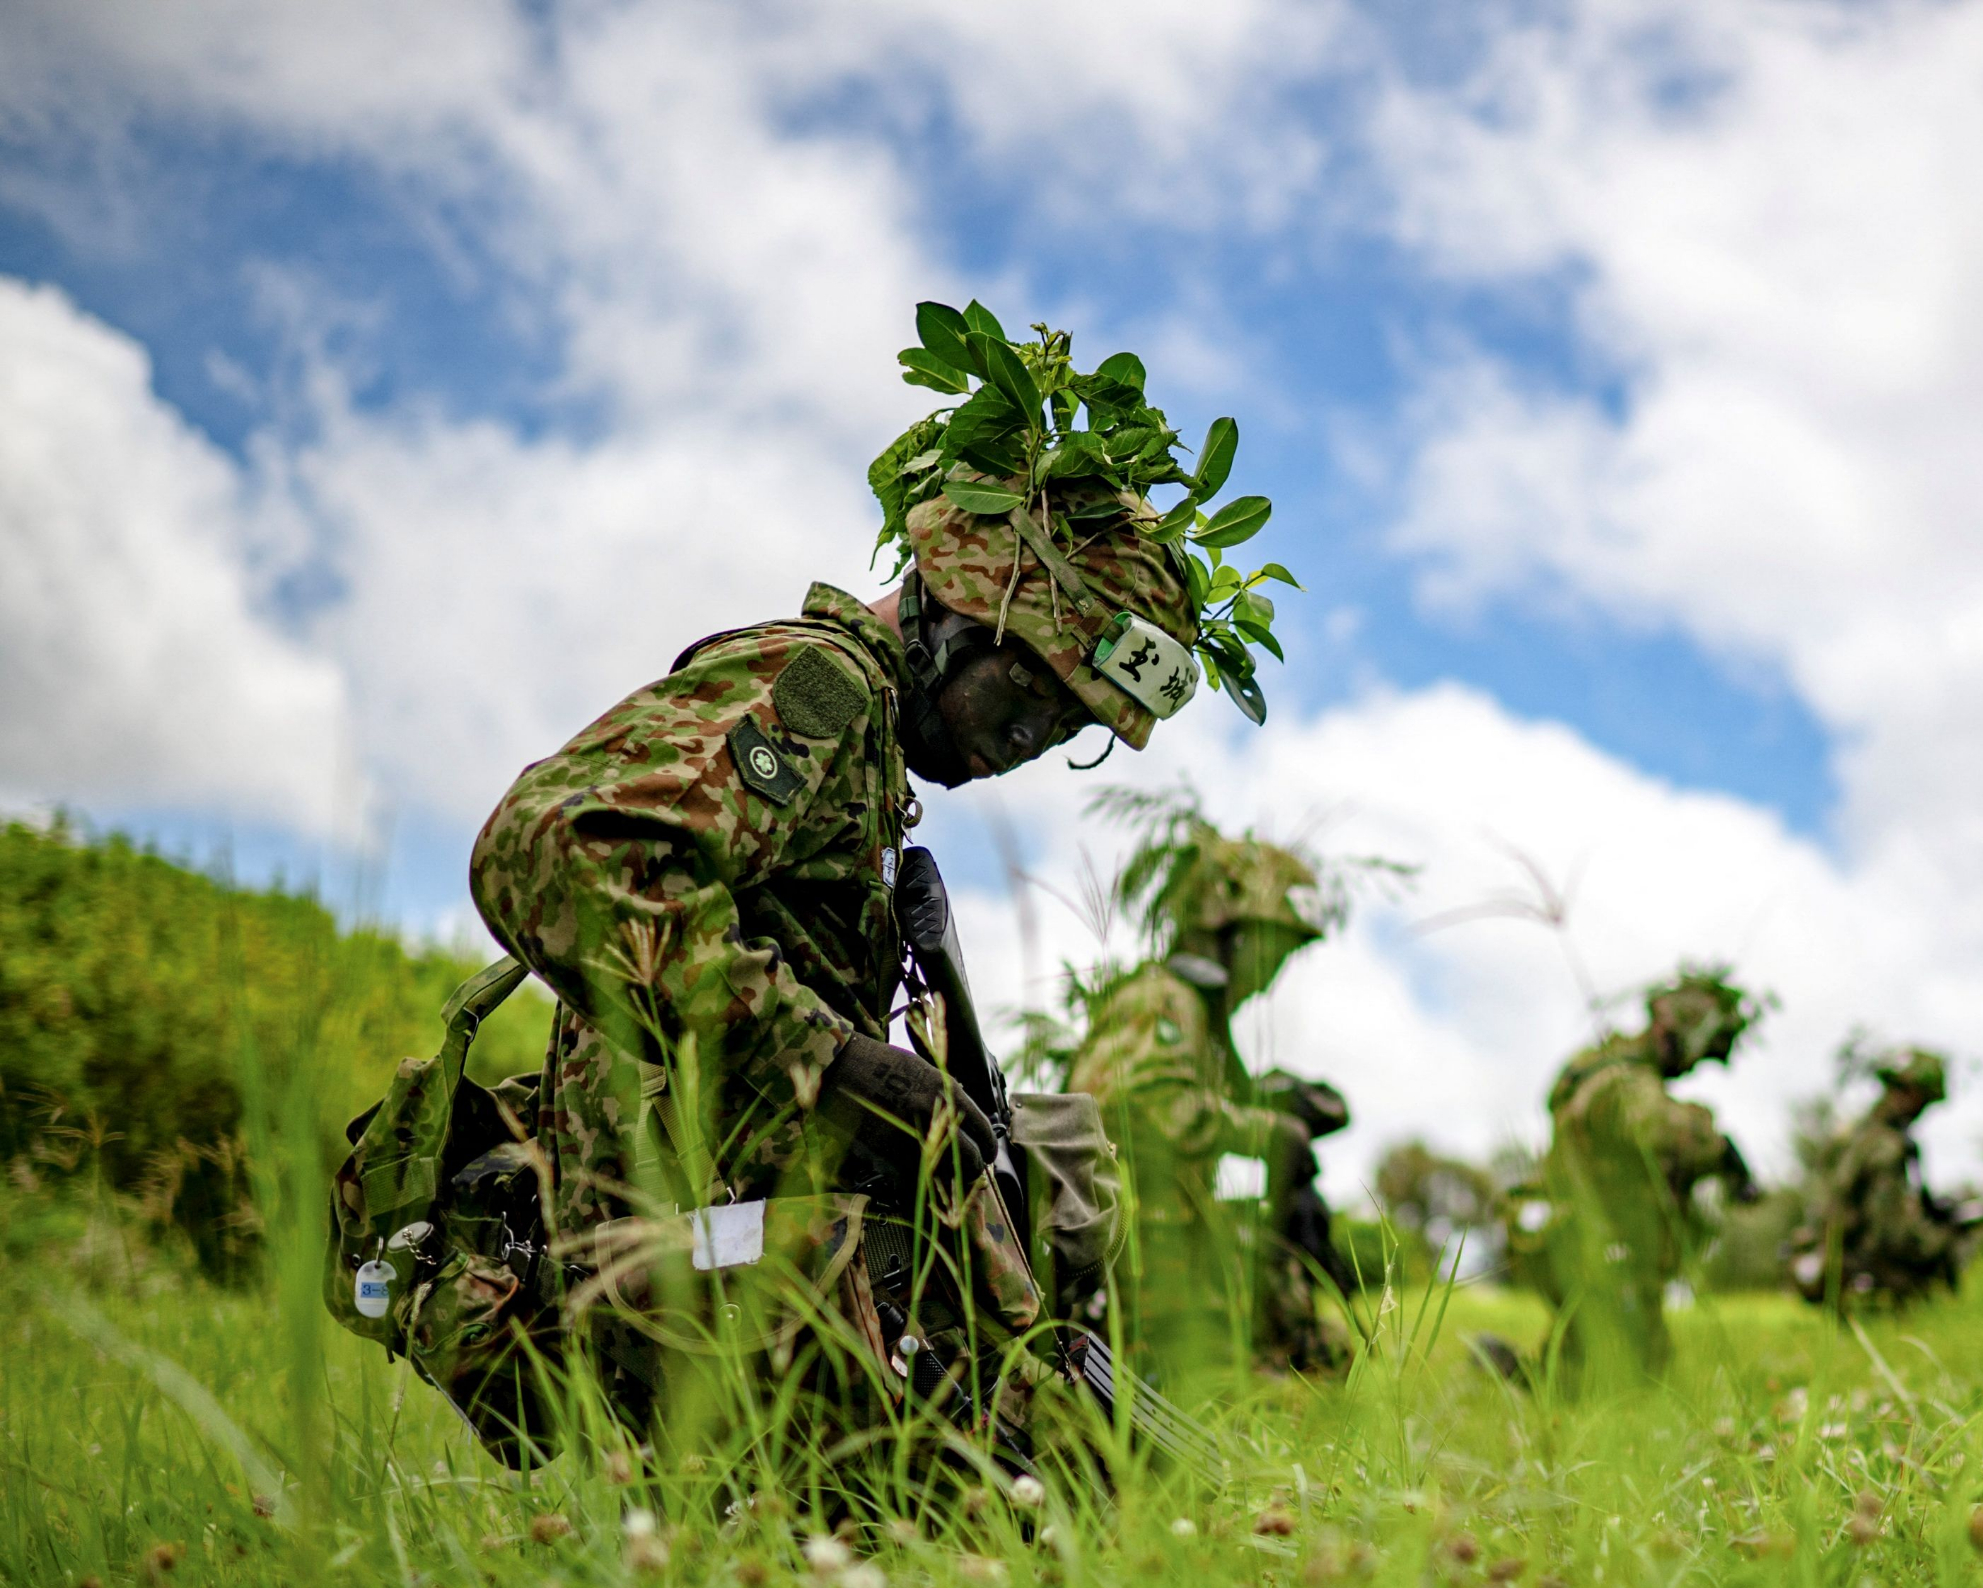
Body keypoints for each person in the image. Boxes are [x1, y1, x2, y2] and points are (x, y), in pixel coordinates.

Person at [446, 312, 1260, 1470]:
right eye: (1032, 697)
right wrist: (828, 1060)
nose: (1025, 744)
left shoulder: (870, 757)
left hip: (751, 1261)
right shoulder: (818, 688)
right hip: (693, 1270)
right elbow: (547, 844)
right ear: (966, 612)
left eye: (1064, 730)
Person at [1064, 818, 1349, 1381]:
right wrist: (1265, 1133)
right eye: (1270, 950)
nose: (1271, 976)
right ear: (1225, 932)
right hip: (1127, 1280)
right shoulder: (1165, 1000)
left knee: (1328, 1355)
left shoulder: (1204, 1022)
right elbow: (1140, 1107)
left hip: (1170, 1267)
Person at [1507, 969, 1760, 1379]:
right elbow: (1652, 1126)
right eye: (1696, 1056)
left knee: (1614, 1358)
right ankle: (1541, 1380)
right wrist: (1718, 1147)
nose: (1691, 1069)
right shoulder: (1624, 1079)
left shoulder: (1598, 1066)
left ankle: (1536, 1376)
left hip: (1580, 1238)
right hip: (1600, 1247)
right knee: (1639, 1374)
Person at [1787, 1047, 1969, 1309]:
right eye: (1924, 1101)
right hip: (1860, 1274)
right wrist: (1946, 1236)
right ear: (1913, 1095)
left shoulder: (1851, 1135)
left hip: (1826, 1260)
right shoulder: (1886, 1147)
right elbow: (1891, 1236)